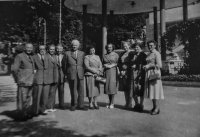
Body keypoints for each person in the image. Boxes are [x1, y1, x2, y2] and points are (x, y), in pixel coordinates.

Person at [62, 39, 88, 111]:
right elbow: (64, 65)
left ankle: (81, 105)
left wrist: (82, 72)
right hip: (71, 74)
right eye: (73, 45)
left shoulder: (82, 53)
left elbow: (84, 64)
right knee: (73, 90)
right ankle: (73, 105)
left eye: (76, 45)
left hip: (80, 74)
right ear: (71, 45)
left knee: (81, 90)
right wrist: (67, 73)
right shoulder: (67, 53)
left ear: (78, 46)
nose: (74, 46)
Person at [13, 43, 35, 120]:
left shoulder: (31, 56)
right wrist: (17, 79)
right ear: (24, 48)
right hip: (23, 81)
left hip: (30, 81)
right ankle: (20, 115)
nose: (29, 49)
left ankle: (26, 113)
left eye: (30, 48)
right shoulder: (19, 56)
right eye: (28, 48)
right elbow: (15, 69)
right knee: (22, 99)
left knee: (28, 99)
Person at [32, 45, 54, 116]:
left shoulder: (48, 57)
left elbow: (51, 67)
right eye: (40, 49)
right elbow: (32, 68)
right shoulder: (34, 57)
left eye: (43, 49)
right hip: (38, 79)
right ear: (38, 50)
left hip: (47, 79)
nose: (42, 50)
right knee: (37, 96)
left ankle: (43, 109)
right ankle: (35, 111)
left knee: (45, 96)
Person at [143, 40, 164, 115]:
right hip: (149, 73)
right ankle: (154, 107)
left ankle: (157, 108)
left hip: (154, 74)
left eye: (151, 45)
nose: (150, 47)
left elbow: (159, 65)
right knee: (151, 91)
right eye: (149, 45)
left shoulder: (156, 53)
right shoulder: (149, 54)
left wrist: (149, 66)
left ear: (155, 46)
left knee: (155, 91)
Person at [129, 43, 147, 112]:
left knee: (140, 89)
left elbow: (144, 64)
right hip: (133, 74)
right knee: (133, 89)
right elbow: (130, 63)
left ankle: (141, 105)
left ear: (141, 48)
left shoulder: (143, 55)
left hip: (140, 74)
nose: (136, 49)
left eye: (138, 47)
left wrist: (136, 66)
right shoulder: (132, 54)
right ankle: (136, 104)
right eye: (135, 47)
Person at [103, 43, 119, 109]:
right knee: (108, 87)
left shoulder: (116, 55)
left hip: (113, 71)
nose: (109, 48)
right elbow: (102, 63)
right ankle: (109, 102)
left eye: (110, 47)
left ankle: (112, 103)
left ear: (112, 48)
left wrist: (112, 65)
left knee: (112, 87)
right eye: (108, 47)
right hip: (106, 71)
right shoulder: (104, 55)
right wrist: (105, 65)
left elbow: (118, 63)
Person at [118, 42, 132, 109]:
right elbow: (119, 63)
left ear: (129, 46)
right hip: (123, 72)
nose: (125, 48)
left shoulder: (131, 53)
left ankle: (130, 103)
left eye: (126, 46)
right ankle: (126, 102)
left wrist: (127, 67)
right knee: (125, 88)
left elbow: (133, 62)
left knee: (129, 88)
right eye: (124, 46)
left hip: (129, 72)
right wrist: (121, 70)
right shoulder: (122, 54)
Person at [46, 44, 58, 112]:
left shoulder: (55, 57)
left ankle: (50, 107)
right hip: (48, 77)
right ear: (48, 50)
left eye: (53, 49)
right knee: (47, 93)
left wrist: (56, 78)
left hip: (54, 77)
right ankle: (47, 107)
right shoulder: (46, 56)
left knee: (52, 93)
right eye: (51, 49)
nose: (52, 51)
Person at [55, 44, 66, 110]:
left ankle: (61, 105)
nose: (59, 50)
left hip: (62, 76)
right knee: (53, 91)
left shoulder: (64, 56)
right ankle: (52, 105)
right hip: (55, 76)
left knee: (61, 91)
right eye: (58, 49)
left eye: (60, 49)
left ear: (62, 50)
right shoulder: (53, 56)